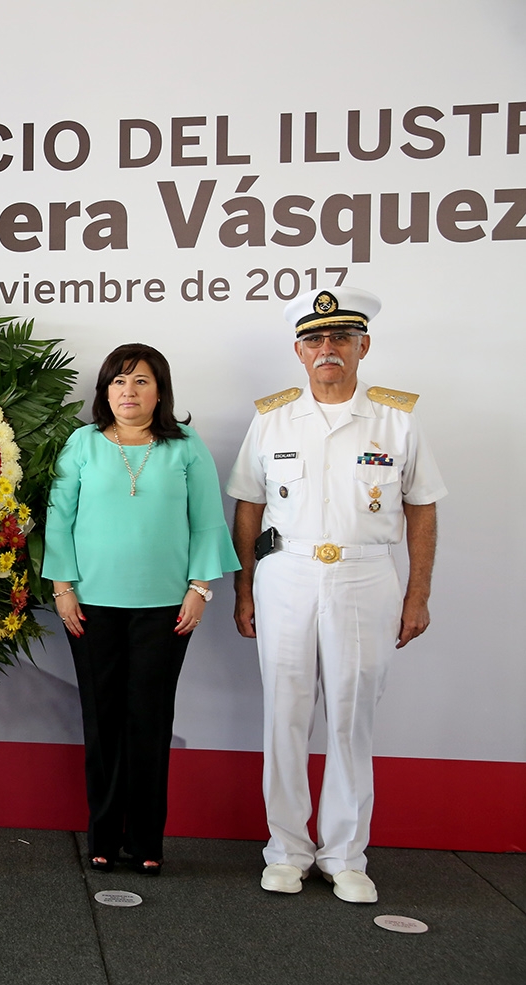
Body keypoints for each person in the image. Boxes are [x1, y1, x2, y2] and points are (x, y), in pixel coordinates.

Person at [227, 288, 444, 903]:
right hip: (286, 574)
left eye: (341, 339)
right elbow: (248, 506)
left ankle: (346, 853)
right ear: (299, 352)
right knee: (285, 713)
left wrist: (418, 594)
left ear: (362, 347)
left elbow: (422, 510)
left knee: (353, 716)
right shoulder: (272, 417)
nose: (328, 350)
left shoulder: (396, 419)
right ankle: (287, 850)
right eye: (316, 341)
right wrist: (244, 588)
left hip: (366, 576)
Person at [43, 343, 239, 876]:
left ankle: (146, 839)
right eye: (118, 382)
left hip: (166, 609)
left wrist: (201, 587)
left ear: (161, 391)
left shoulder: (185, 446)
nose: (128, 392)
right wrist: (63, 588)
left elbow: (206, 521)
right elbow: (58, 520)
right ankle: (104, 835)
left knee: (150, 721)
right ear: (105, 391)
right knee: (102, 721)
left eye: (141, 382)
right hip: (89, 606)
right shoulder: (81, 443)